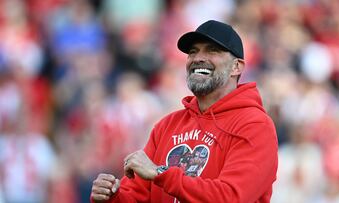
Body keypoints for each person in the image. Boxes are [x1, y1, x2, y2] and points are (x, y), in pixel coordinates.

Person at [90, 20, 278, 203]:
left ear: (236, 67)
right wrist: (112, 197)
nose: (198, 58)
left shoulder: (255, 125)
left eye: (212, 51)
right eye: (193, 52)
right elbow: (137, 196)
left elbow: (232, 196)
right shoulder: (167, 126)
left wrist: (160, 173)